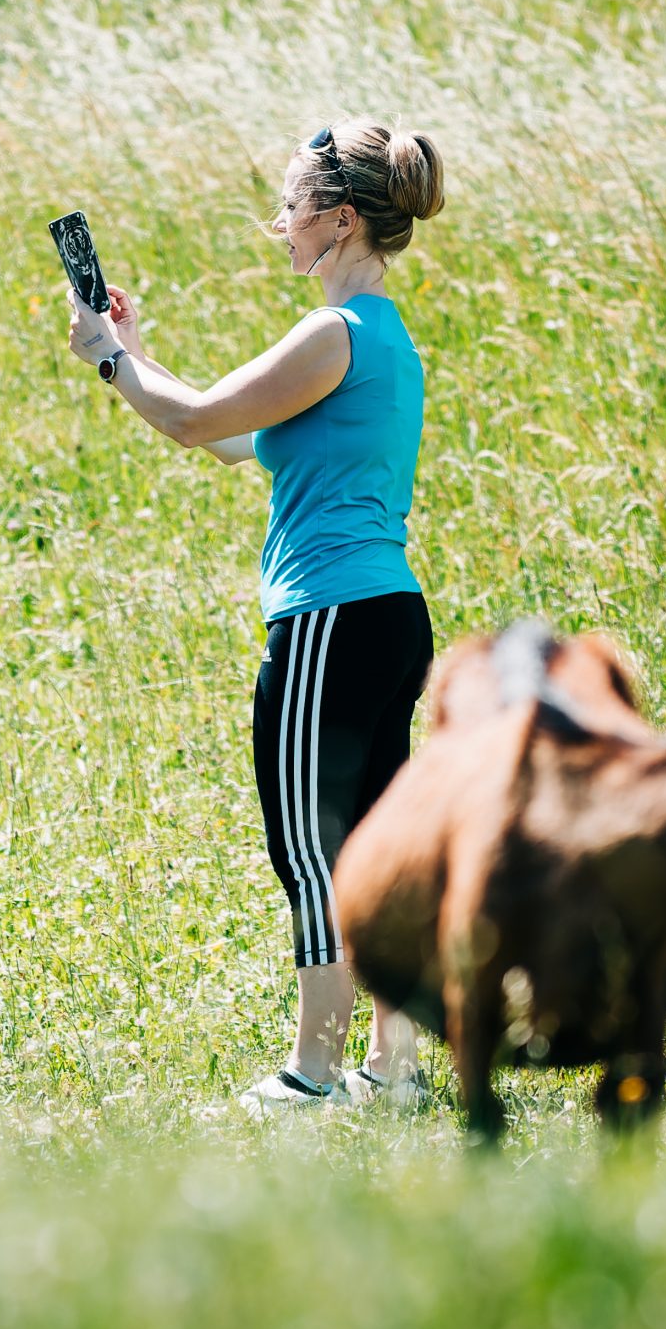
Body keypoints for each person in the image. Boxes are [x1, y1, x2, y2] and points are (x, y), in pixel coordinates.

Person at [68, 118, 448, 1111]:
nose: (277, 223)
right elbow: (231, 440)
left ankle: (313, 1075)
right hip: (386, 614)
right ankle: (391, 1068)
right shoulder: (383, 340)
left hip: (328, 617)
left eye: (289, 204)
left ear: (337, 218)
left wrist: (109, 358)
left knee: (310, 845)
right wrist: (131, 352)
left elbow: (196, 421)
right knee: (369, 840)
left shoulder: (330, 333)